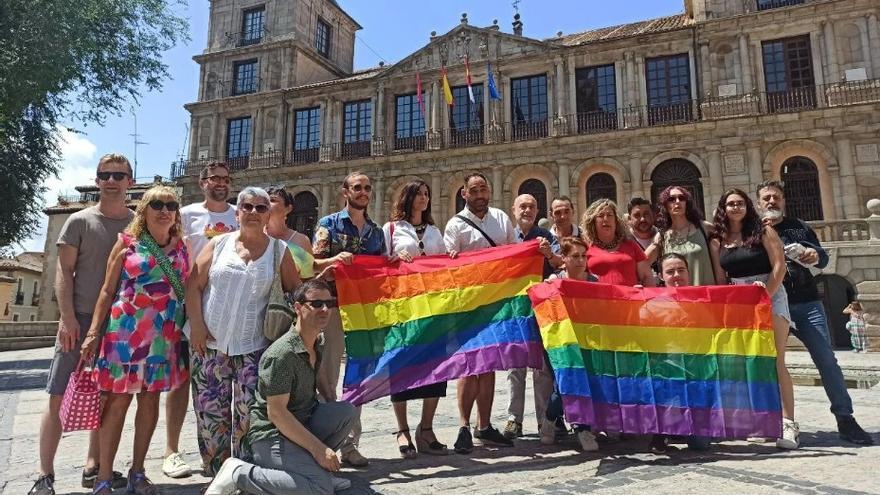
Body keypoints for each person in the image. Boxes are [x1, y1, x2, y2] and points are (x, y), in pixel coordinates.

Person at [30, 154, 135, 495]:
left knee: (106, 396)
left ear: (130, 181)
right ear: (97, 179)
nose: (111, 180)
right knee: (58, 395)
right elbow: (64, 273)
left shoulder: (137, 226)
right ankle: (45, 475)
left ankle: (93, 466)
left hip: (119, 324)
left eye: (119, 174)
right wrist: (68, 317)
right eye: (105, 174)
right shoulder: (78, 220)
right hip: (80, 320)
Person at [80, 185, 190, 495]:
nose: (164, 209)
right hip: (125, 333)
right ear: (144, 210)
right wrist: (93, 332)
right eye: (156, 204)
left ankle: (138, 472)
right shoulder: (127, 244)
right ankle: (103, 476)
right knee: (117, 402)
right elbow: (106, 289)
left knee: (150, 401)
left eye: (170, 204)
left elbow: (190, 290)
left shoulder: (182, 248)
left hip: (163, 337)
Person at [186, 187, 301, 477]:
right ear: (237, 213)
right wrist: (197, 327)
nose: (253, 212)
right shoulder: (219, 244)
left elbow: (297, 293)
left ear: (268, 214)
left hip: (255, 349)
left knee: (250, 420)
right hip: (210, 346)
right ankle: (216, 475)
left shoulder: (280, 251)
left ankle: (245, 476)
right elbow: (193, 286)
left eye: (260, 208)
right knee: (210, 418)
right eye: (246, 206)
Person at [203, 279, 356, 495]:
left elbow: (322, 383)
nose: (324, 309)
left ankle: (312, 472)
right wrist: (319, 449)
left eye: (329, 304)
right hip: (271, 435)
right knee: (319, 489)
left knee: (346, 412)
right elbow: (276, 414)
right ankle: (239, 473)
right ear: (298, 308)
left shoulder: (317, 342)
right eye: (317, 304)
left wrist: (332, 404)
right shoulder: (282, 354)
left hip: (302, 422)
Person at [758, 181, 873, 444]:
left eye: (776, 197)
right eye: (767, 198)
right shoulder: (755, 230)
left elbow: (822, 257)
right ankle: (769, 421)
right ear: (759, 202)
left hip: (806, 302)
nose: (772, 201)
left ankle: (846, 419)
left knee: (826, 360)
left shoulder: (799, 226)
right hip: (773, 306)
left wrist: (813, 253)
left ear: (784, 200)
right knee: (766, 365)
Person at [708, 188, 798, 449]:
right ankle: (761, 420)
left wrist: (765, 297)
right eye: (730, 204)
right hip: (739, 299)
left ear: (748, 206)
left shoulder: (763, 231)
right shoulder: (718, 241)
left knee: (775, 359)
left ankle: (788, 423)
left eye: (740, 203)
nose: (735, 208)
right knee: (749, 361)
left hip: (768, 293)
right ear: (723, 209)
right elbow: (720, 278)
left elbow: (779, 265)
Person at [167, 161, 238, 479]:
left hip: (228, 308)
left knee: (222, 383)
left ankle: (229, 452)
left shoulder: (240, 213)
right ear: (202, 182)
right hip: (191, 304)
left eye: (225, 179)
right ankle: (171, 451)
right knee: (181, 380)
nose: (220, 183)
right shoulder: (186, 214)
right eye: (214, 179)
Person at [312, 171, 387, 467]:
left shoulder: (375, 232)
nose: (363, 192)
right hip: (331, 309)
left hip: (362, 312)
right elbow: (313, 263)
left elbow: (379, 270)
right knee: (328, 377)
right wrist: (334, 260)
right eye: (357, 187)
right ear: (345, 192)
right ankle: (327, 441)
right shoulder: (328, 225)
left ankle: (351, 444)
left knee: (359, 377)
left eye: (367, 187)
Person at [443, 172, 517, 453]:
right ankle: (463, 426)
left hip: (496, 305)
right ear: (464, 194)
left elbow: (514, 255)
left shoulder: (501, 219)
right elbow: (449, 266)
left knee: (488, 366)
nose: (479, 195)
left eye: (483, 189)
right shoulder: (455, 225)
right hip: (468, 307)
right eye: (473, 191)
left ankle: (483, 426)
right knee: (468, 367)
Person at [383, 180, 456, 458]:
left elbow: (444, 264)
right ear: (408, 198)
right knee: (400, 366)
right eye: (420, 194)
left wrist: (450, 257)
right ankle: (402, 429)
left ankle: (426, 429)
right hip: (403, 308)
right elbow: (380, 264)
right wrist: (392, 258)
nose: (424, 199)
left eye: (427, 194)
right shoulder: (391, 229)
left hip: (432, 308)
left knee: (435, 368)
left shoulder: (436, 231)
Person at [504, 194, 561, 440]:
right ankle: (513, 419)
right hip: (515, 308)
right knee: (515, 365)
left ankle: (543, 420)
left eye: (532, 206)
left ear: (538, 210)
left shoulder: (547, 237)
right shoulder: (507, 238)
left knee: (541, 367)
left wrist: (548, 255)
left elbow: (560, 263)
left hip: (542, 306)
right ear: (513, 210)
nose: (527, 210)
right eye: (523, 206)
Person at [648, 253, 712, 454]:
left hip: (695, 376)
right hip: (664, 375)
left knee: (700, 445)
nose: (676, 275)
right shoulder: (651, 303)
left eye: (681, 270)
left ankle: (685, 423)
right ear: (660, 276)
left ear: (688, 272)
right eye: (670, 271)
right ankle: (660, 430)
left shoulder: (704, 300)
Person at [542, 236, 599, 452]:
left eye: (584, 256)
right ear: (563, 258)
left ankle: (582, 427)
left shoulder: (594, 282)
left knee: (584, 383)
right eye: (575, 256)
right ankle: (550, 417)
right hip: (561, 342)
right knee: (563, 386)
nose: (580, 261)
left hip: (586, 341)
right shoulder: (553, 281)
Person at [652, 186, 718, 286]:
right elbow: (642, 262)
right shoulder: (662, 237)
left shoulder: (705, 228)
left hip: (706, 296)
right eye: (671, 199)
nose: (677, 201)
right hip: (678, 298)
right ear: (665, 205)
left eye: (682, 198)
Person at [581, 199, 655, 287]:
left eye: (609, 215)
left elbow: (647, 277)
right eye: (600, 216)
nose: (606, 219)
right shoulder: (585, 248)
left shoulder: (631, 245)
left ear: (616, 221)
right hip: (598, 299)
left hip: (629, 299)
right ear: (593, 222)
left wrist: (643, 295)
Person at [266, 185, 316, 280]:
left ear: (288, 209)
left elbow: (308, 278)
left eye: (272, 200)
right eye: (264, 201)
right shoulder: (255, 236)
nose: (266, 204)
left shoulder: (301, 241)